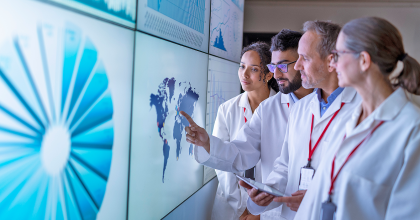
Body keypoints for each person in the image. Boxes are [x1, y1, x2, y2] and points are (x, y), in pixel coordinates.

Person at [295, 16, 420, 220]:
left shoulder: (412, 130)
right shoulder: (349, 120)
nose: (333, 64)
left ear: (363, 60)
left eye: (338, 55)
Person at [181, 29, 313, 220]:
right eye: (272, 66)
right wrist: (208, 143)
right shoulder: (268, 110)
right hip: (274, 212)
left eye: (283, 66)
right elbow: (241, 153)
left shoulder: (325, 106)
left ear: (303, 63)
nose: (276, 73)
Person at [244, 20, 363, 220]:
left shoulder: (363, 109)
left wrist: (317, 199)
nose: (297, 66)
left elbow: (365, 183)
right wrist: (266, 192)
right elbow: (285, 165)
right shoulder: (300, 109)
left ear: (331, 60)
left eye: (304, 58)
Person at [211, 42, 278, 220]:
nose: (244, 74)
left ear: (269, 73)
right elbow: (222, 163)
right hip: (231, 205)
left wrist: (257, 210)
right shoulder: (227, 109)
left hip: (268, 206)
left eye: (254, 69)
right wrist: (242, 208)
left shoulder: (284, 108)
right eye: (242, 67)